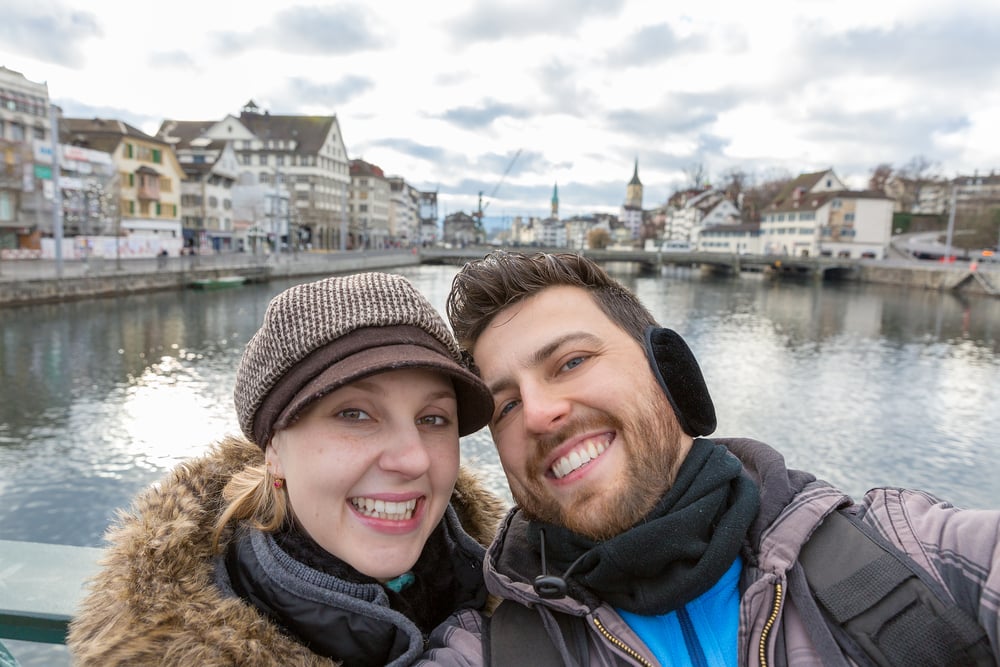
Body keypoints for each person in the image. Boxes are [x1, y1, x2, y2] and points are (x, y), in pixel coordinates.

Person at [444, 250, 999, 666]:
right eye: (506, 406)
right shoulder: (489, 646)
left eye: (571, 362)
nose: (538, 414)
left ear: (670, 370)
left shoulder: (911, 556)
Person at [68, 272, 506, 666]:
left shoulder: (517, 586)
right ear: (273, 448)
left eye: (433, 419)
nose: (413, 459)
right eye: (354, 414)